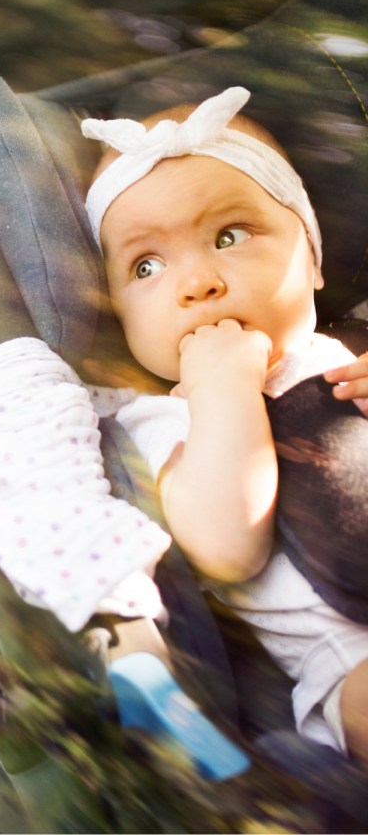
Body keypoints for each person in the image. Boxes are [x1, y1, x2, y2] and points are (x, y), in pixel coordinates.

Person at [81, 86, 368, 760]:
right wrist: (223, 386)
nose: (198, 282)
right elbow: (226, 546)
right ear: (122, 316)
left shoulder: (349, 350)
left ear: (313, 257)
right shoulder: (162, 420)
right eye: (146, 266)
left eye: (229, 236)